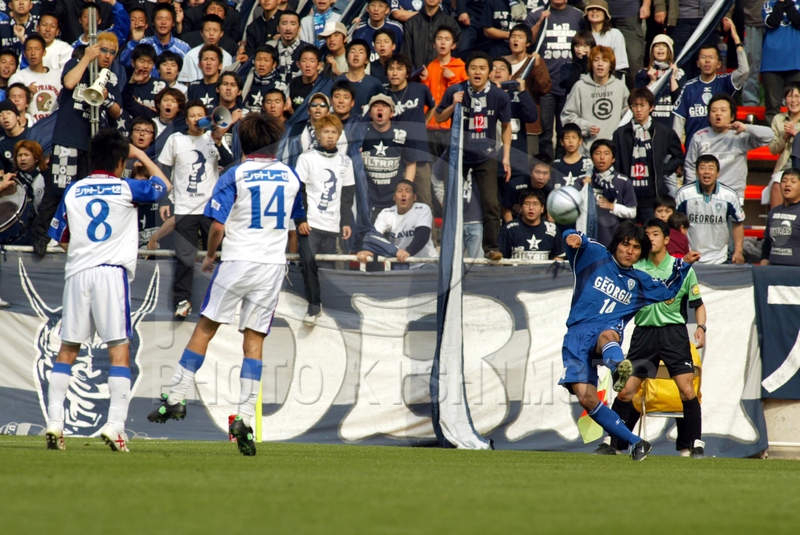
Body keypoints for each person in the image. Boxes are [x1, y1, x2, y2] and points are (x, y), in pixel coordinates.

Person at [147, 114, 303, 457]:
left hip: (238, 261)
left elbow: (217, 227)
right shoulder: (291, 176)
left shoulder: (236, 174)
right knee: (255, 341)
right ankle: (244, 417)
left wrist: (210, 255)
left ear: (243, 143)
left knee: (205, 328)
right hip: (271, 267)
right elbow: (294, 220)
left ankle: (176, 396)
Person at [45, 129, 171, 452]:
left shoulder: (74, 190)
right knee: (119, 351)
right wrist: (139, 155)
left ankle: (55, 422)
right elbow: (164, 186)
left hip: (78, 273)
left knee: (67, 350)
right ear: (120, 161)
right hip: (110, 274)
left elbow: (60, 238)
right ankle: (115, 426)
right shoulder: (127, 187)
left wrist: (84, 251)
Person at [560, 221, 700, 461]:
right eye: (626, 245)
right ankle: (637, 443)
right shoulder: (595, 255)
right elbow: (573, 237)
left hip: (607, 333)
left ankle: (618, 368)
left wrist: (684, 264)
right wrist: (572, 236)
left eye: (636, 248)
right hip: (576, 335)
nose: (630, 251)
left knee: (608, 335)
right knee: (586, 398)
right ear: (616, 244)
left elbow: (668, 290)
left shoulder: (640, 281)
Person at [597, 218, 707, 458]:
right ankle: (611, 443)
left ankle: (695, 444)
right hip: (644, 334)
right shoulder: (635, 267)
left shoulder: (681, 267)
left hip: (673, 334)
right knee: (625, 391)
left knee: (686, 390)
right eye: (646, 234)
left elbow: (698, 304)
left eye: (655, 234)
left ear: (666, 239)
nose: (650, 238)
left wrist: (701, 327)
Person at [158, 100, 234, 318]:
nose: (196, 119)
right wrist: (164, 200)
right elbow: (164, 169)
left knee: (219, 253)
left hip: (210, 208)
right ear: (186, 120)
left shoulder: (213, 138)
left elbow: (231, 165)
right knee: (185, 257)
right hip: (185, 208)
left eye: (200, 115)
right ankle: (182, 300)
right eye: (192, 115)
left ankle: (222, 299)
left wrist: (219, 143)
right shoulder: (176, 139)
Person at [435, 50, 512, 260]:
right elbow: (439, 118)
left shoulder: (499, 96)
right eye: (473, 68)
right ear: (467, 70)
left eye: (482, 68)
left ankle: (492, 248)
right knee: (452, 200)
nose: (478, 72)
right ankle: (449, 244)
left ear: (489, 72)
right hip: (458, 154)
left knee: (490, 203)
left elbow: (506, 126)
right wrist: (453, 105)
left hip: (486, 156)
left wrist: (505, 157)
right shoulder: (455, 90)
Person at [295, 114, 355, 326]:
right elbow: (298, 190)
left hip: (333, 225)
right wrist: (300, 219)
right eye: (326, 132)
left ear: (339, 136)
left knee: (328, 269)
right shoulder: (306, 158)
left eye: (334, 132)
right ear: (318, 135)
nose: (330, 136)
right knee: (308, 261)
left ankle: (329, 310)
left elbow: (347, 195)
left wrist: (345, 222)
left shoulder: (345, 161)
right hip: (310, 224)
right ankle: (313, 307)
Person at [672, 18, 748, 147]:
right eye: (703, 57)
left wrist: (736, 40)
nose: (707, 61)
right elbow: (679, 120)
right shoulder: (689, 87)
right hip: (695, 149)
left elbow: (744, 70)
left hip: (720, 148)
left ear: (719, 64)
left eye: (711, 57)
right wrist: (676, 151)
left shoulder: (725, 82)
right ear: (697, 63)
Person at [684, 94, 772, 204]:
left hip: (733, 193)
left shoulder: (740, 135)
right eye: (714, 110)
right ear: (709, 116)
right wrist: (694, 191)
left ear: (732, 116)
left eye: (723, 110)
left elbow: (769, 136)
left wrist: (746, 127)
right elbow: (690, 165)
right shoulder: (699, 136)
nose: (718, 113)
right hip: (704, 194)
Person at [612, 87, 684, 223]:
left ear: (651, 107)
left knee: (652, 232)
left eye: (642, 105)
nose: (638, 109)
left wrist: (664, 170)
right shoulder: (620, 133)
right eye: (635, 105)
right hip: (628, 196)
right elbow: (615, 162)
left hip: (652, 197)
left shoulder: (663, 131)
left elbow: (679, 156)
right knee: (627, 233)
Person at [526, 0, 584, 159]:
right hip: (546, 85)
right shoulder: (536, 14)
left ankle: (561, 165)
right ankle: (546, 167)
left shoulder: (578, 16)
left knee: (564, 132)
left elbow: (586, 43)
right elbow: (527, 41)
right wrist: (540, 22)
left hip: (569, 85)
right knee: (545, 132)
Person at [385, 53, 435, 209]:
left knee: (424, 202)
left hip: (419, 154)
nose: (394, 73)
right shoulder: (383, 94)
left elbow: (432, 106)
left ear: (407, 73)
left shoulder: (419, 89)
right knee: (394, 202)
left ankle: (428, 227)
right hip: (393, 156)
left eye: (399, 69)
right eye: (391, 69)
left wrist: (424, 122)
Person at [492, 56, 538, 222]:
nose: (497, 71)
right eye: (493, 68)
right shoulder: (484, 95)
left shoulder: (517, 94)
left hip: (516, 162)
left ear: (510, 76)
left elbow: (532, 116)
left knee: (519, 207)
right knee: (493, 206)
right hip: (491, 161)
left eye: (502, 68)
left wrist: (523, 92)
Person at [676, 154, 745, 264]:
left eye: (711, 168)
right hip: (690, 257)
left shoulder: (729, 195)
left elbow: (738, 223)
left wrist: (738, 251)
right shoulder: (684, 194)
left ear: (718, 173)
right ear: (697, 172)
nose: (706, 172)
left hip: (720, 258)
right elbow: (675, 225)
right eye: (702, 168)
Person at [561, 45, 629, 155]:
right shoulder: (580, 87)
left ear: (611, 65)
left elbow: (628, 114)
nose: (600, 64)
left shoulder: (620, 87)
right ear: (591, 64)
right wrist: (585, 127)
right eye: (596, 60)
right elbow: (567, 116)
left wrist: (627, 112)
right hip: (586, 152)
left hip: (614, 150)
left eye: (605, 61)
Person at [357, 179, 438, 268]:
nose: (403, 194)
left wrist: (408, 251)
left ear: (414, 197)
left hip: (425, 262)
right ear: (394, 197)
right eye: (399, 191)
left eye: (408, 191)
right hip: (400, 262)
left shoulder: (423, 209)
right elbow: (374, 237)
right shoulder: (386, 213)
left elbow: (423, 234)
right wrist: (367, 249)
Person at [362, 93, 416, 220]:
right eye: (376, 106)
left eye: (384, 106)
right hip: (367, 200)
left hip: (393, 200)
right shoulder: (361, 133)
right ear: (370, 113)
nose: (380, 109)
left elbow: (411, 164)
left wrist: (404, 191)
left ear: (392, 113)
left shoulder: (403, 135)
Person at [420, 25, 466, 159]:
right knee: (431, 166)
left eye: (447, 39)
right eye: (439, 39)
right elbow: (426, 97)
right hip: (430, 126)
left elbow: (465, 93)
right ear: (434, 45)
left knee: (449, 166)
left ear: (453, 45)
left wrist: (453, 78)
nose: (443, 42)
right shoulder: (430, 66)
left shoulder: (461, 67)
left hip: (451, 126)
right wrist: (424, 80)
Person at [587, 138, 637, 245]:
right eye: (597, 153)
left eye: (606, 153)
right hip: (589, 238)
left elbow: (632, 212)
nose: (602, 157)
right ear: (591, 157)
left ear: (613, 158)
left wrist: (612, 206)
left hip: (615, 239)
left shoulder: (623, 181)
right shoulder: (584, 182)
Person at [763, 0, 800, 125]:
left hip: (796, 62)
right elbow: (772, 22)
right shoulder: (769, 3)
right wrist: (780, 3)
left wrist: (787, 3)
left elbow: (798, 21)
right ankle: (772, 136)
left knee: (797, 103)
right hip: (771, 63)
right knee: (772, 106)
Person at [498, 190, 564, 260]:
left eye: (535, 204)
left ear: (542, 208)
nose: (531, 208)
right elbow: (500, 257)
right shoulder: (510, 229)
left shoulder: (552, 229)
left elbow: (558, 257)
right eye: (527, 204)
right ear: (520, 208)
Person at [8, 35, 61, 121]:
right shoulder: (17, 78)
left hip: (53, 124)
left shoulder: (57, 76)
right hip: (30, 125)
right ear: (24, 53)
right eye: (29, 49)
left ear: (44, 52)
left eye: (37, 49)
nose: (33, 53)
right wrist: (26, 94)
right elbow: (12, 107)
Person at [635, 34, 684, 127]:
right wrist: (652, 82)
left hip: (671, 124)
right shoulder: (643, 74)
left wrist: (672, 78)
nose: (660, 48)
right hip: (649, 125)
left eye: (664, 46)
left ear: (670, 51)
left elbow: (679, 102)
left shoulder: (679, 73)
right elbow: (640, 103)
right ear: (652, 50)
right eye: (657, 46)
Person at [121, 4, 189, 67]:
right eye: (159, 19)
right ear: (153, 22)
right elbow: (124, 62)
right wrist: (134, 42)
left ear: (173, 23)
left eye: (167, 19)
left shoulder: (183, 48)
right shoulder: (143, 43)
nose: (163, 22)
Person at [400, 0, 460, 70]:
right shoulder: (411, 23)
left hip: (444, 73)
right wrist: (414, 72)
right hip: (416, 74)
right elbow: (406, 53)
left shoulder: (450, 23)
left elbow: (457, 51)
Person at [768, 83, 800, 207]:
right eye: (790, 96)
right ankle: (776, 217)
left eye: (797, 96)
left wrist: (796, 134)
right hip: (784, 168)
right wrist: (785, 136)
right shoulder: (778, 119)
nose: (793, 100)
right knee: (777, 184)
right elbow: (773, 150)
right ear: (785, 100)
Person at [761, 168, 800, 266]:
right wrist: (764, 266)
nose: (787, 184)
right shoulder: (773, 212)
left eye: (793, 181)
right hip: (774, 269)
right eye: (784, 181)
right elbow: (767, 245)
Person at [178, 15, 233, 83]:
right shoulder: (191, 55)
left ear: (221, 33)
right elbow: (188, 83)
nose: (211, 33)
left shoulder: (227, 57)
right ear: (201, 33)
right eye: (207, 30)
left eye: (215, 30)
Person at [584, 0, 629, 81]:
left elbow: (620, 66)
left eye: (599, 9)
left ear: (605, 14)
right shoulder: (583, 36)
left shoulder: (615, 34)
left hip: (613, 81)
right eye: (591, 9)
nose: (594, 11)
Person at [336, 39, 385, 114]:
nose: (356, 54)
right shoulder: (336, 81)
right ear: (346, 59)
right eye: (352, 51)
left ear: (367, 60)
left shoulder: (375, 84)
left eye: (361, 52)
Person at [552, 123, 593, 190]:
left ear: (580, 141)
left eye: (574, 138)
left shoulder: (589, 163)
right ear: (562, 142)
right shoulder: (555, 165)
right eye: (567, 138)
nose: (570, 141)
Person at [186, 44, 223, 110]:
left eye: (212, 59)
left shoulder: (224, 86)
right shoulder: (193, 87)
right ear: (199, 64)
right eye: (205, 59)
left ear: (220, 65)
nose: (208, 63)